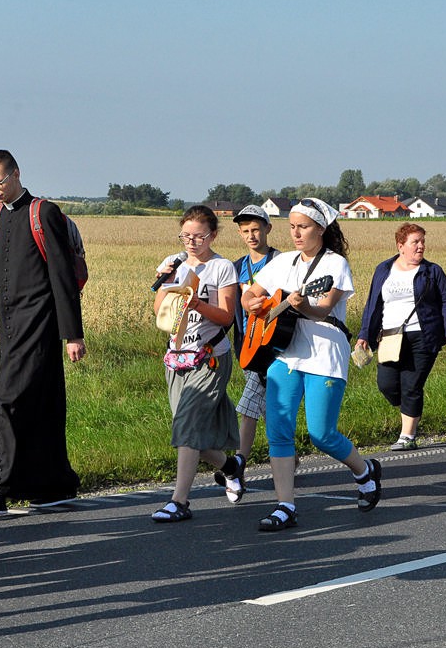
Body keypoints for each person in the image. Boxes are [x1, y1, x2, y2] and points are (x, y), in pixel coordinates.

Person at [0, 150, 86, 517]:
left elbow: (62, 276)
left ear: (16, 175)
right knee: (41, 402)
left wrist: (73, 334)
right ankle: (53, 486)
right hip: (8, 325)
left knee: (7, 398)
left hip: (41, 324)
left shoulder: (43, 212)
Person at [242, 198, 380, 531]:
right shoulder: (283, 262)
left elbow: (323, 310)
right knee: (278, 430)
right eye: (291, 227)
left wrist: (300, 306)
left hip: (325, 356)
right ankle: (285, 505)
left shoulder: (335, 264)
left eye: (303, 227)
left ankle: (365, 471)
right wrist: (252, 303)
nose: (296, 233)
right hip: (285, 354)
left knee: (321, 434)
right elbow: (251, 293)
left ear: (321, 228)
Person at [150, 205, 242, 522]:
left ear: (212, 235)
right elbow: (159, 310)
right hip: (177, 356)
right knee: (185, 433)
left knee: (187, 427)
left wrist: (198, 304)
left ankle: (179, 501)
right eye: (186, 235)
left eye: (198, 236)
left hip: (210, 357)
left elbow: (226, 316)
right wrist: (166, 279)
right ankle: (230, 467)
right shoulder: (176, 264)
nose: (191, 242)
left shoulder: (222, 268)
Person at [355, 223, 446, 451]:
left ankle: (407, 436)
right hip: (390, 337)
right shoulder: (384, 269)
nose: (421, 246)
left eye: (423, 241)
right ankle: (410, 410)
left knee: (412, 385)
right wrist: (365, 334)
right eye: (416, 242)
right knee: (387, 385)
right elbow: (372, 304)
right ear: (401, 246)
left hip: (424, 335)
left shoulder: (432, 271)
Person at [214, 204, 280, 500]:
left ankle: (237, 464)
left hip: (277, 346)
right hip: (247, 345)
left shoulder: (282, 262)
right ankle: (286, 455)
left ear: (268, 229)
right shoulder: (236, 266)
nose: (251, 236)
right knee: (271, 409)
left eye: (256, 229)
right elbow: (229, 311)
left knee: (249, 404)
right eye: (245, 231)